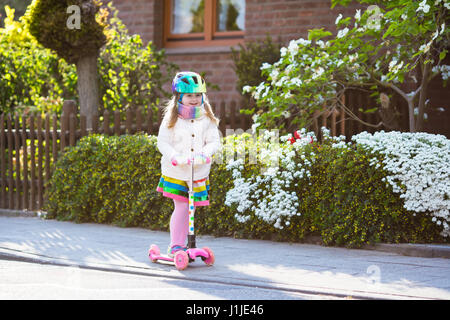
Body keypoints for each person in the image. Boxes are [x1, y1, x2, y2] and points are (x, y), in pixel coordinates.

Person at [156, 71, 222, 257]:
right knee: (183, 206)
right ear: (179, 96)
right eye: (189, 95)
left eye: (197, 95)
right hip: (177, 172)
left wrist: (205, 154)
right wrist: (175, 157)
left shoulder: (207, 118)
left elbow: (213, 142)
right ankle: (176, 246)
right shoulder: (171, 119)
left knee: (191, 208)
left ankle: (187, 245)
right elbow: (163, 142)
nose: (194, 99)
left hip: (198, 172)